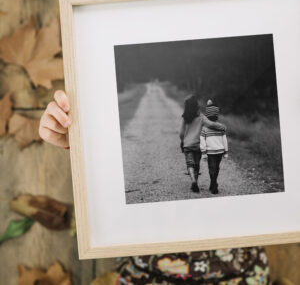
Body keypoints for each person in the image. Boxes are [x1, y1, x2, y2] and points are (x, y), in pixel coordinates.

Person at [39, 91, 271, 285]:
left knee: (194, 165)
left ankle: (195, 179)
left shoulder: (189, 117)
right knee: (200, 165)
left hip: (148, 267)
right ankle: (201, 179)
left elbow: (186, 130)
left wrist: (82, 140)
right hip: (238, 268)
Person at [179, 95, 225, 193]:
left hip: (187, 145)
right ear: (196, 106)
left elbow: (181, 133)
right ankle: (195, 182)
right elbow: (211, 124)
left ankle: (194, 181)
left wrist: (182, 141)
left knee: (189, 164)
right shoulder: (201, 117)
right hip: (198, 145)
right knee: (196, 164)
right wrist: (222, 126)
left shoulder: (185, 118)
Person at [200, 100, 228, 194]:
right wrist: (226, 151)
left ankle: (214, 185)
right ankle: (213, 184)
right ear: (217, 116)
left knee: (211, 168)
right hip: (220, 151)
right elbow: (225, 140)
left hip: (210, 152)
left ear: (207, 116)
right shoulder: (221, 128)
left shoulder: (204, 128)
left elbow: (202, 140)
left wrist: (203, 152)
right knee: (216, 168)